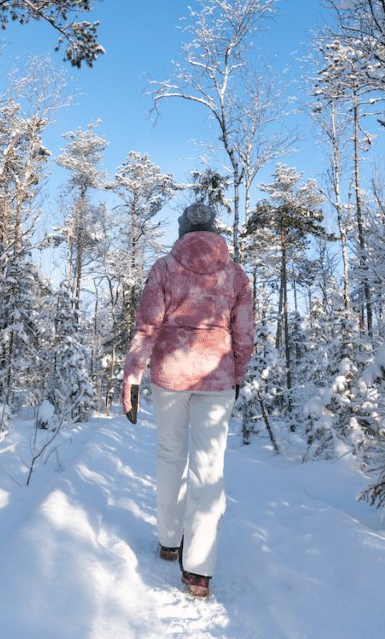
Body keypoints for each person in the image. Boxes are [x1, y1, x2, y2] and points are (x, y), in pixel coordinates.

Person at [121, 202, 254, 599]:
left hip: (170, 376)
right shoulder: (234, 274)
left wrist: (133, 375)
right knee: (208, 468)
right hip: (217, 379)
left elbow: (147, 327)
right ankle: (199, 571)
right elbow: (244, 334)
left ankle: (168, 541)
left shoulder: (163, 268)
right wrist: (237, 375)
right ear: (214, 230)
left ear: (182, 230)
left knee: (170, 456)